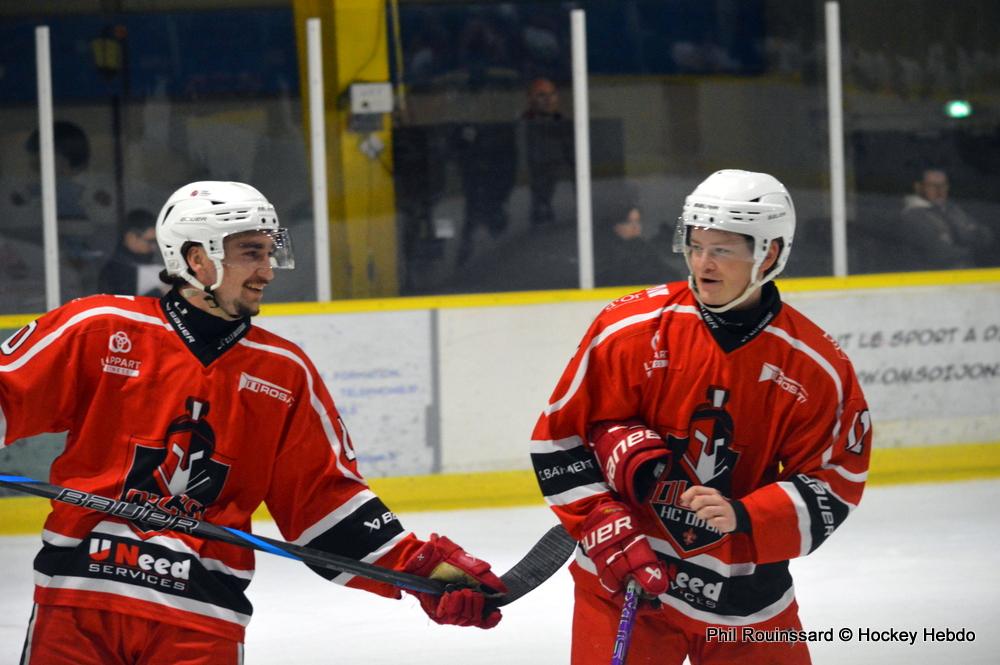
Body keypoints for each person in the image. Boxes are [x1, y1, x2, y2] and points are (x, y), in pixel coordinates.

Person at [3, 181, 504, 665]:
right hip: (78, 602)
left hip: (201, 619)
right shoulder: (100, 329)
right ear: (197, 259)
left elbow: (325, 503)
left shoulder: (283, 373)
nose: (267, 271)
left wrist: (421, 568)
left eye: (269, 253)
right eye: (250, 253)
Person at [529, 170, 872, 664]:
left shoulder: (815, 367)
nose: (702, 263)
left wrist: (746, 515)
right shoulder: (630, 329)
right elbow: (560, 440)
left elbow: (836, 481)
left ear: (769, 254)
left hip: (747, 601)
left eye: (722, 250)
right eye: (695, 246)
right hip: (627, 584)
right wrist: (604, 524)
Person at [899, 167, 994, 269]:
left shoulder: (952, 209)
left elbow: (986, 236)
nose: (939, 190)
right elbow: (939, 253)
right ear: (919, 187)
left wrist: (975, 237)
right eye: (932, 185)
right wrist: (973, 247)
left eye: (943, 185)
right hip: (937, 275)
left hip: (969, 270)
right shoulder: (911, 216)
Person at [593, 191, 677, 287]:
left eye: (637, 221)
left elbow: (667, 273)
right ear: (616, 225)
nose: (635, 227)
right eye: (628, 222)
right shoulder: (604, 252)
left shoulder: (644, 248)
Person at [521, 77, 574, 226]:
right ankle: (540, 209)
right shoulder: (524, 121)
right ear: (530, 98)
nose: (548, 100)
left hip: (554, 162)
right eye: (541, 95)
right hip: (538, 163)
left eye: (552, 94)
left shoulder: (562, 120)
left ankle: (544, 208)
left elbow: (569, 146)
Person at [97, 208, 164, 296]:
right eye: (150, 241)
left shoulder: (143, 263)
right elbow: (121, 303)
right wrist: (160, 292)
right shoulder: (115, 273)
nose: (154, 247)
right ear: (131, 238)